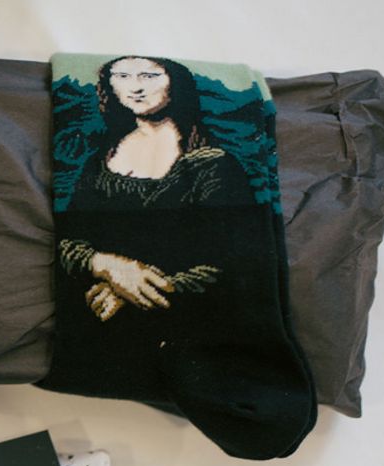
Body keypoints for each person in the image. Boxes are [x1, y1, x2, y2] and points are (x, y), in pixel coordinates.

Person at [58, 56, 252, 320]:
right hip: (94, 311)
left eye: (149, 76)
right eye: (122, 76)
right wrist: (107, 266)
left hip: (186, 318)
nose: (136, 87)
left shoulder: (213, 164)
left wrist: (130, 293)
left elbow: (231, 261)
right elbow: (68, 241)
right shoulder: (100, 159)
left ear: (176, 82)